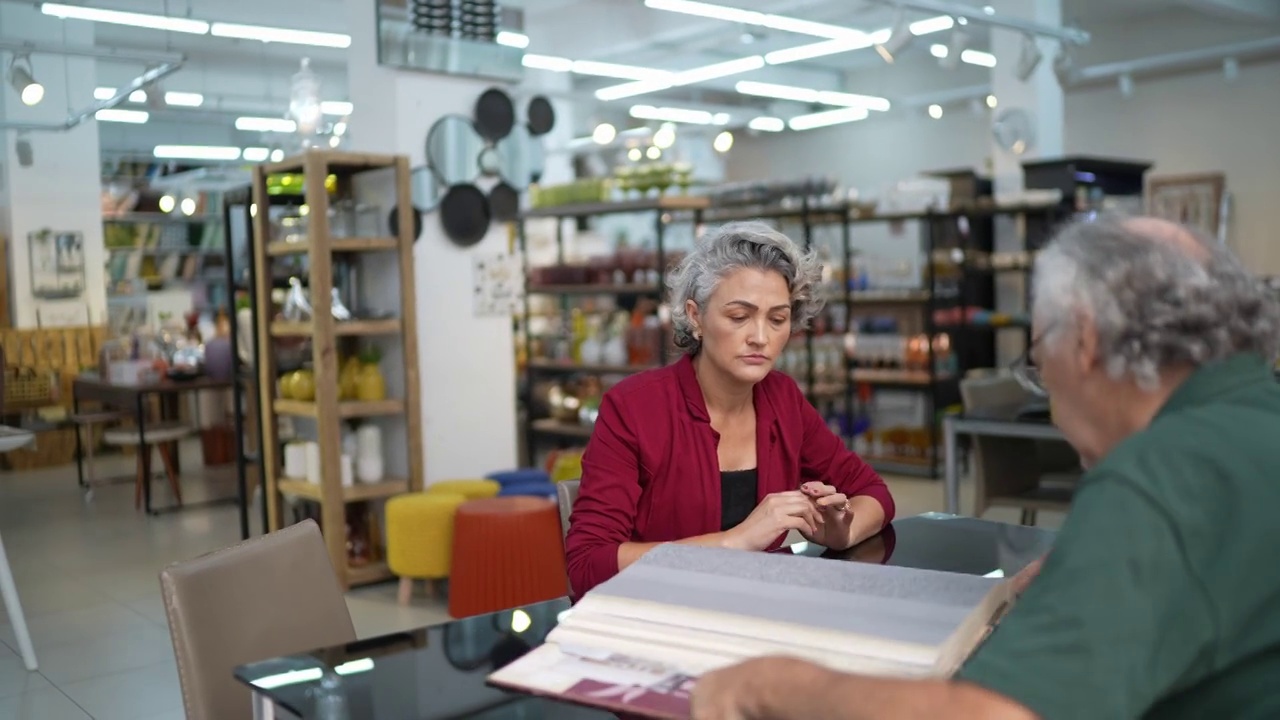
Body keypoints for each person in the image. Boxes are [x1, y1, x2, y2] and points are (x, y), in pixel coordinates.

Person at [689, 214, 1280, 719]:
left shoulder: (1161, 476)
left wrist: (774, 686)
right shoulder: (1251, 422)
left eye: (1040, 357)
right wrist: (1096, 570)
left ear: (1087, 340)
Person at [564, 221, 895, 598]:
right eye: (739, 317)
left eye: (777, 319)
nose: (760, 337)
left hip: (754, 613)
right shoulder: (633, 409)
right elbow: (588, 565)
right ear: (695, 316)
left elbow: (874, 492)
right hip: (657, 619)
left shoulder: (782, 399)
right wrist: (736, 541)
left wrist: (841, 532)